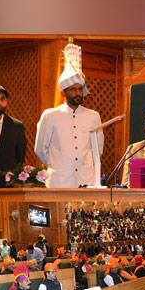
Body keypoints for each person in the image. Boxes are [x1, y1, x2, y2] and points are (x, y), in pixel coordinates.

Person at [34, 43, 102, 188]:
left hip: (86, 179)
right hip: (59, 180)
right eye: (73, 90)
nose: (78, 93)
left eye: (80, 89)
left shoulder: (93, 116)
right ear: (63, 92)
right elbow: (40, 149)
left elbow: (98, 150)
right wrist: (59, 164)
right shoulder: (50, 115)